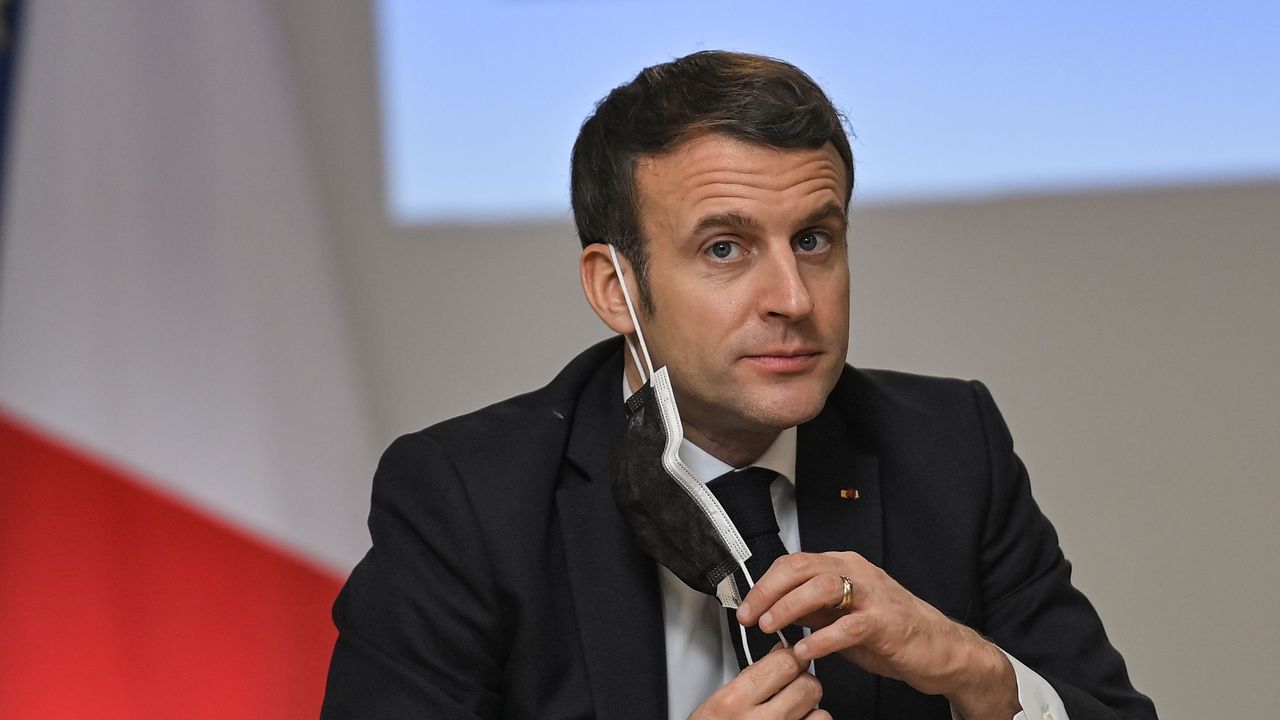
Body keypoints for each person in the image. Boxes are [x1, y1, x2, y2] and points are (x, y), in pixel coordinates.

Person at [321, 51, 1156, 720]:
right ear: (616, 290)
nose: (794, 300)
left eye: (816, 239)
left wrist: (981, 676)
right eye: (725, 248)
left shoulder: (948, 446)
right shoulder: (468, 498)